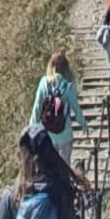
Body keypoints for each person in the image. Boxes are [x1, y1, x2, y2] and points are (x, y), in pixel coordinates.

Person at [30, 48, 88, 179]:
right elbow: (76, 109)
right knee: (64, 169)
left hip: (47, 135)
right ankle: (64, 189)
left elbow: (37, 108)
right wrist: (84, 124)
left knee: (49, 170)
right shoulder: (67, 86)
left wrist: (32, 128)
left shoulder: (44, 83)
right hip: (65, 134)